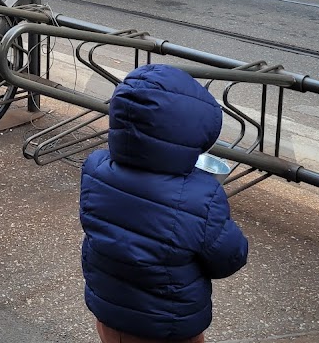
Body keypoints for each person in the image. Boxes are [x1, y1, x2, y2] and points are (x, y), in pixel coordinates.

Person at [79, 63, 248, 343]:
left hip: (110, 313)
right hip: (169, 324)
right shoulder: (201, 196)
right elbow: (228, 258)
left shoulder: (95, 168)